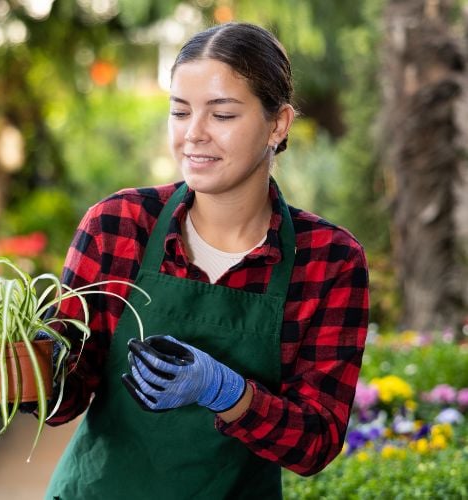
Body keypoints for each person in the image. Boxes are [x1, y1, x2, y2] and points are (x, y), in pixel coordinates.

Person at [35, 23, 368, 499]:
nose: (193, 134)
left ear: (279, 124)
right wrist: (28, 371)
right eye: (180, 111)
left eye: (223, 114)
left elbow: (315, 444)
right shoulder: (119, 226)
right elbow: (69, 394)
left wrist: (228, 392)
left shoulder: (329, 261)